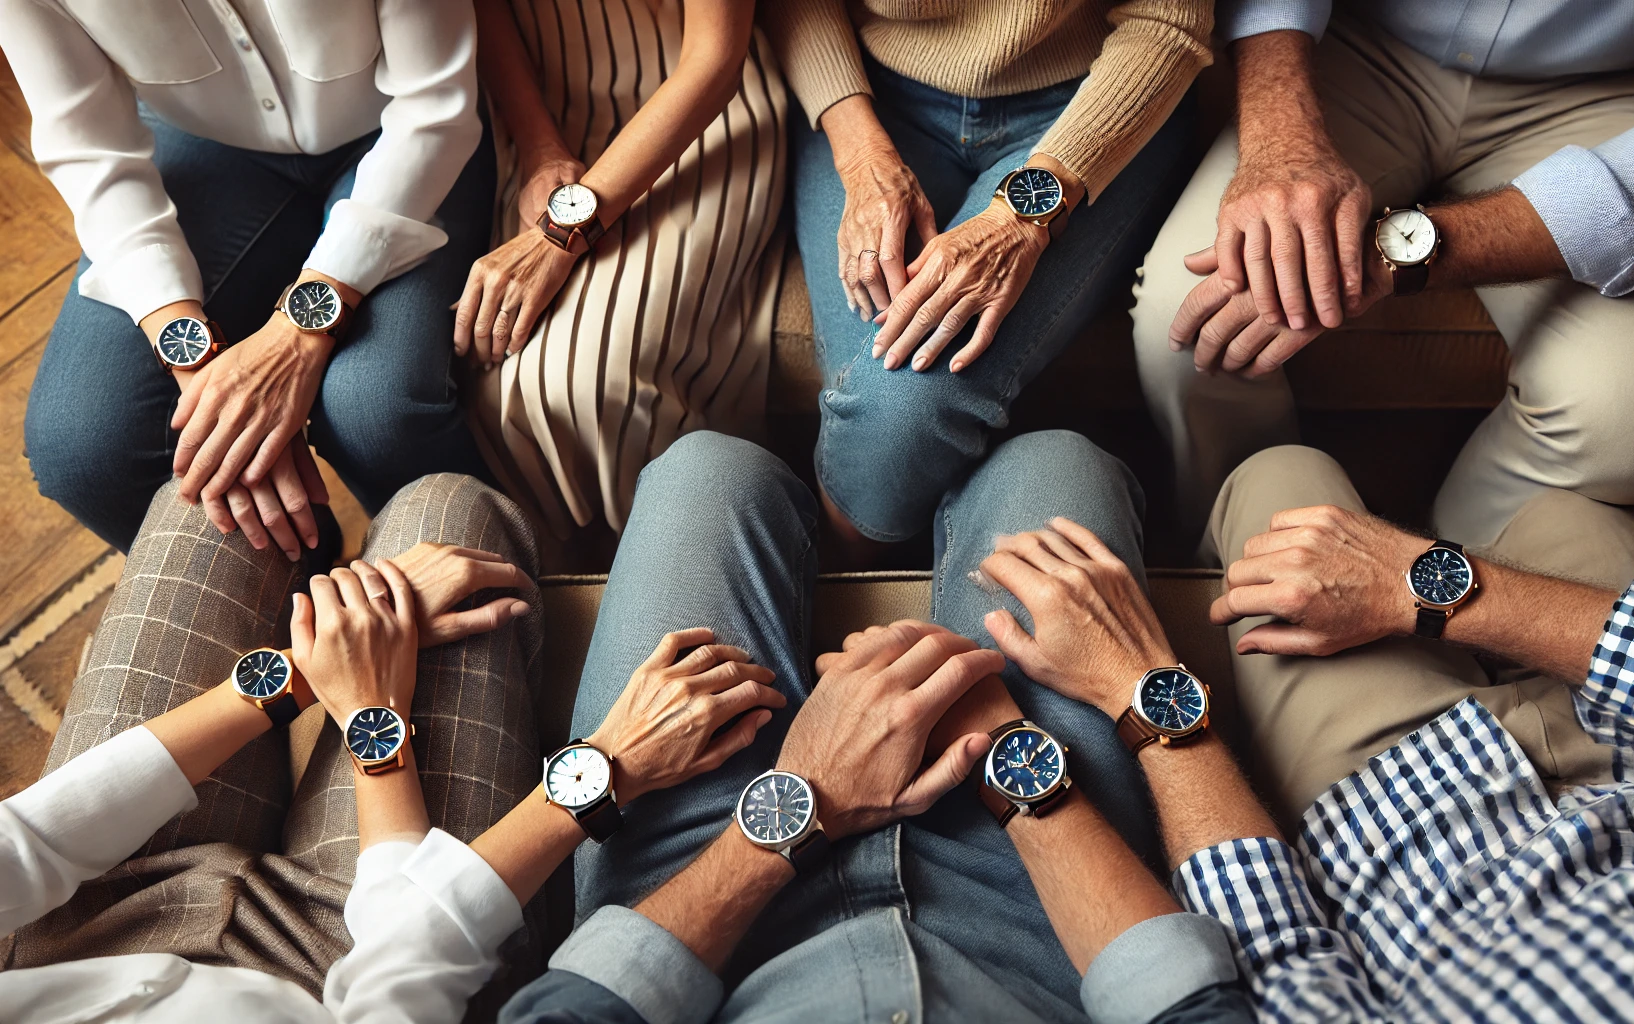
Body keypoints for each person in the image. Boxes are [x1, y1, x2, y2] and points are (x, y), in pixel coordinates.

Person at [986, 440, 1634, 1021]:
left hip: (1405, 822)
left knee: (1282, 473)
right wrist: (1427, 587)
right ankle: (1439, 530)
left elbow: (1282, 965)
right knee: (1573, 507)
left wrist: (1152, 694)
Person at [498, 430, 1258, 1023]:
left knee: (708, 471)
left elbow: (573, 1007)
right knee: (1054, 461)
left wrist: (805, 801)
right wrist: (1015, 765)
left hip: (704, 911)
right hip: (1055, 917)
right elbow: (1190, 1004)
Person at [0, 467, 797, 1022]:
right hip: (351, 976)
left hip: (72, 924)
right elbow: (405, 979)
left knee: (210, 494)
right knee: (447, 507)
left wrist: (307, 673)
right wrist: (603, 772)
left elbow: (24, 843)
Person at [1131, 0, 1634, 548]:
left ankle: (1473, 571)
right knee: (1187, 320)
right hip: (1349, 44)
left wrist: (1393, 258)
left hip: (1611, 90)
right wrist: (1280, 137)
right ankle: (1249, 540)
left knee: (1632, 426)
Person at [7, 0, 495, 558]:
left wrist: (297, 339)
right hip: (207, 147)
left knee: (377, 411)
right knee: (82, 449)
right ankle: (313, 603)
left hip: (406, 127)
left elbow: (435, 105)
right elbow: (87, 151)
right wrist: (204, 372)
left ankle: (498, 587)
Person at [764, 0, 1214, 556]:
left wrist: (1020, 218)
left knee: (903, 411)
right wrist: (861, 157)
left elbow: (1168, 20)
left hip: (1095, 98)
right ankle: (854, 565)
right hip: (867, 95)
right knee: (882, 436)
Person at [458, 0, 788, 536]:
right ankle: (569, 572)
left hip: (698, 106)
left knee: (586, 384)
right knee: (496, 379)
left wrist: (559, 236)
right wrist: (541, 148)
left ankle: (681, 553)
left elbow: (715, 56)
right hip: (540, 106)